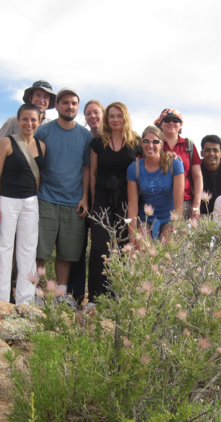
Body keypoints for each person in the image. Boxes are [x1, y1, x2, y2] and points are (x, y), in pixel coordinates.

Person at [34, 88, 93, 307]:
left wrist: (85, 197)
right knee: (40, 250)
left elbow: (86, 168)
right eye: (65, 103)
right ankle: (34, 293)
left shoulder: (85, 136)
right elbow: (36, 167)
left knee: (67, 253)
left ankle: (60, 296)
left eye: (74, 103)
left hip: (73, 202)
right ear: (56, 106)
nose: (70, 107)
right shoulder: (43, 132)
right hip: (45, 199)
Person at [0, 104, 46, 305]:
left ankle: (25, 300)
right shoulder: (6, 142)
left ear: (39, 122)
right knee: (3, 249)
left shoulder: (41, 146)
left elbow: (37, 177)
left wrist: (31, 198)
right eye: (25, 119)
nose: (29, 123)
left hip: (30, 202)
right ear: (18, 120)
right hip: (6, 200)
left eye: (33, 120)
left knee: (28, 250)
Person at [87, 102, 141, 303]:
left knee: (123, 244)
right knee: (100, 244)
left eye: (119, 115)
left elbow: (149, 163)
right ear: (106, 119)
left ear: (125, 117)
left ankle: (118, 296)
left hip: (127, 196)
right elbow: (92, 174)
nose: (115, 119)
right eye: (111, 116)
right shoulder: (98, 142)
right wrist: (93, 201)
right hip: (102, 195)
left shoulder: (136, 142)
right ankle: (95, 297)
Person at [67, 99, 106, 305]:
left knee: (102, 248)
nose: (93, 116)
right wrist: (84, 196)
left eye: (96, 112)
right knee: (78, 246)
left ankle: (103, 295)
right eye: (89, 113)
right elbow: (84, 168)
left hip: (108, 198)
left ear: (103, 114)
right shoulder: (83, 137)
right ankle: (76, 293)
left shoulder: (115, 137)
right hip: (83, 196)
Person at [126, 126, 184, 246]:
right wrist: (132, 241)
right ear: (141, 143)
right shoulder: (134, 168)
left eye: (155, 142)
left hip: (168, 218)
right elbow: (132, 207)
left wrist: (176, 227)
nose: (150, 145)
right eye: (146, 141)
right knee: (142, 248)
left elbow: (179, 202)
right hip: (145, 219)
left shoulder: (174, 164)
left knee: (168, 248)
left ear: (161, 145)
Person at [154, 109, 203, 220]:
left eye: (175, 120)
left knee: (180, 236)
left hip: (184, 201)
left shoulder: (188, 145)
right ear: (160, 124)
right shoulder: (153, 144)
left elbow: (197, 176)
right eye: (167, 120)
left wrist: (196, 205)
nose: (171, 123)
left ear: (180, 125)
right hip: (157, 200)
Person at [200, 134, 221, 215]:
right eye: (207, 150)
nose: (211, 153)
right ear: (202, 153)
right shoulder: (196, 167)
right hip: (201, 214)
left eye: (215, 150)